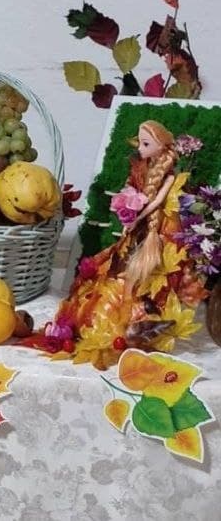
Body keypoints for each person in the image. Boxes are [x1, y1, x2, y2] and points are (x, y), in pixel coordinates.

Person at [40, 119, 207, 369]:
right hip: (138, 232)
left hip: (155, 232)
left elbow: (156, 203)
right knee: (118, 267)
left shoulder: (169, 175)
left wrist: (138, 214)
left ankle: (139, 319)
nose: (140, 148)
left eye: (146, 144)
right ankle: (112, 317)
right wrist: (128, 205)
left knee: (148, 277)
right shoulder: (142, 168)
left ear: (161, 146)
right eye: (140, 143)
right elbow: (132, 192)